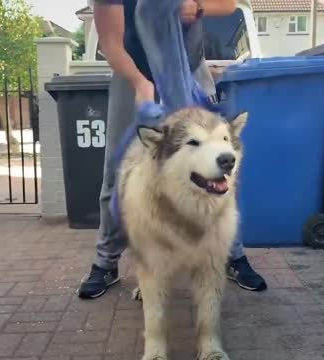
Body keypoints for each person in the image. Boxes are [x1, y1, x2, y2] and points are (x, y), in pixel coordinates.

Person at [78, 0, 268, 299]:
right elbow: (112, 44)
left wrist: (197, 6)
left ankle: (232, 254)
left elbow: (228, 4)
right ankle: (106, 262)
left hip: (190, 70)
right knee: (120, 174)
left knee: (212, 165)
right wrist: (141, 85)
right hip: (133, 73)